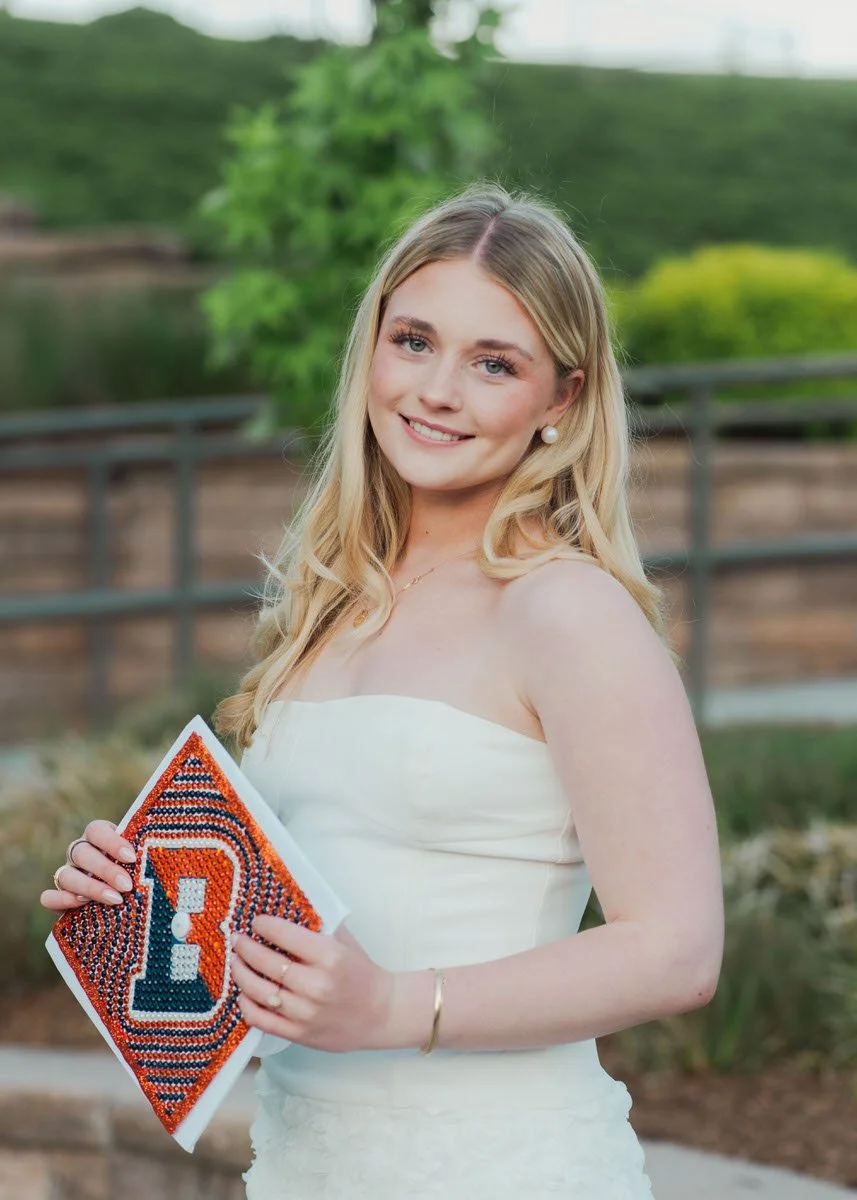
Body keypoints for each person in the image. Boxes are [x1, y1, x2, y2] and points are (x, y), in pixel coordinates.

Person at [42, 182, 724, 1198]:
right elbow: (316, 923)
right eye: (413, 341)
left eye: (493, 363)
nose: (436, 390)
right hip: (308, 1162)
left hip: (501, 1169)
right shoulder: (331, 603)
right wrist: (144, 904)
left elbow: (676, 953)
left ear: (561, 401)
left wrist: (394, 1009)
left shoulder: (566, 611)